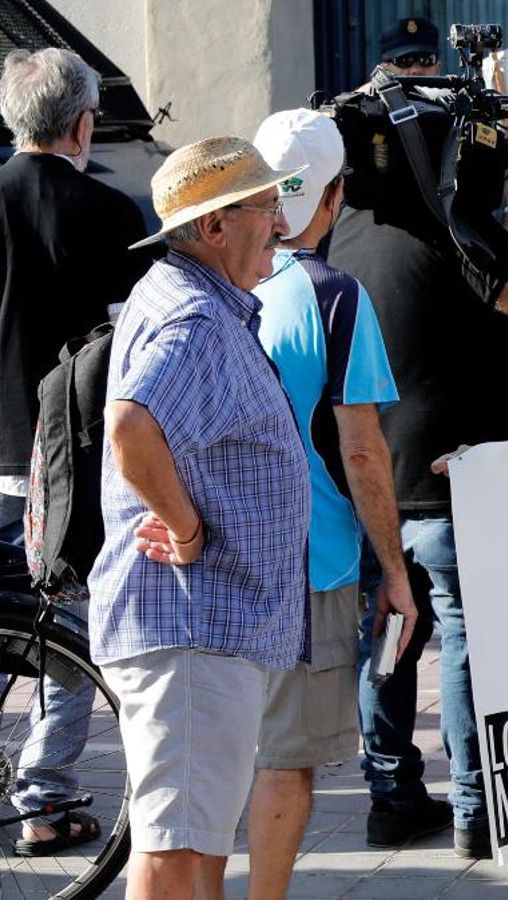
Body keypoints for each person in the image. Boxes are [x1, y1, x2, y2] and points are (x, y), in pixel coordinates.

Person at [327, 87, 508, 858]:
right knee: (465, 633)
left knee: (391, 630)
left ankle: (392, 797)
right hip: (450, 480)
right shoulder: (449, 224)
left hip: (375, 477)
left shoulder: (346, 228)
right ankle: (475, 808)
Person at [88, 136, 309, 899]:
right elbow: (131, 425)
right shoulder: (195, 318)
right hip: (191, 626)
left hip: (206, 627)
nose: (280, 226)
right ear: (214, 227)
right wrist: (184, 529)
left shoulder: (192, 299)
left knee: (197, 849)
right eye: (267, 207)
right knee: (176, 854)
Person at [244, 109, 421, 896]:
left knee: (229, 752)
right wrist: (394, 570)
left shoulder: (221, 279)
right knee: (287, 760)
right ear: (336, 193)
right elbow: (361, 450)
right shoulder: (334, 296)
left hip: (217, 551)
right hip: (310, 564)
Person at [0, 46, 153, 857]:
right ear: (84, 122)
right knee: (67, 632)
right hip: (65, 461)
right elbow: (134, 351)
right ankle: (44, 800)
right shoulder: (112, 213)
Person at [377, 16, 442, 77]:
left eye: (426, 60)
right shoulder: (370, 89)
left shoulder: (450, 89)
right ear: (385, 70)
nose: (416, 70)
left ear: (438, 68)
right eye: (404, 61)